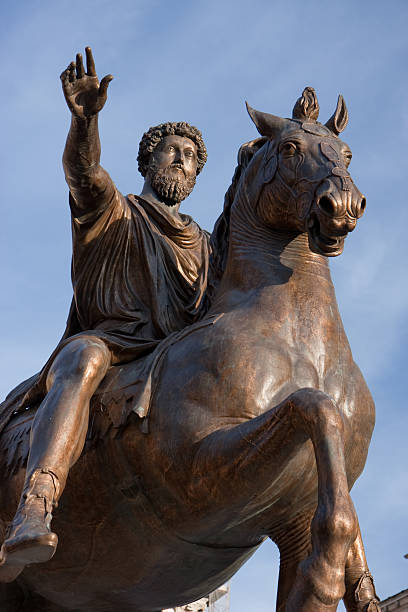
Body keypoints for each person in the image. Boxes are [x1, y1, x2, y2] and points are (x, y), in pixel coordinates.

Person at [1, 47, 210, 571]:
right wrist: (85, 119)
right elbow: (83, 169)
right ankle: (36, 505)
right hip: (116, 342)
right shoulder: (112, 210)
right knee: (84, 358)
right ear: (149, 160)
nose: (182, 160)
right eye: (173, 150)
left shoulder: (207, 246)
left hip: (175, 357)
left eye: (191, 155)